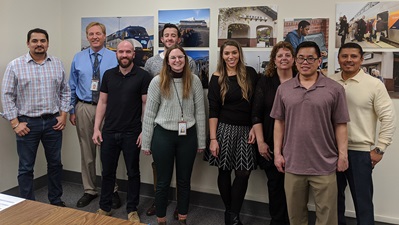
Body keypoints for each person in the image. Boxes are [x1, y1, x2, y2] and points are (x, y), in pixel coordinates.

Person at [271, 41, 350, 225]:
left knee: (327, 217)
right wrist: (277, 154)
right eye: (301, 58)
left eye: (310, 58)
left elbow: (341, 124)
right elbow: (279, 123)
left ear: (319, 61)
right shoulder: (284, 89)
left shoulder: (335, 89)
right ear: (295, 61)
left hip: (325, 163)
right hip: (293, 163)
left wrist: (343, 155)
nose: (305, 62)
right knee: (296, 216)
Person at [1, 28, 71, 207]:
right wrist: (15, 123)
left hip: (53, 123)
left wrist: (63, 115)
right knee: (26, 168)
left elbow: (65, 90)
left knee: (55, 164)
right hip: (27, 123)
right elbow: (7, 95)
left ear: (48, 43)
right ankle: (27, 205)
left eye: (43, 40)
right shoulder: (15, 65)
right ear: (28, 43)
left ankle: (55, 200)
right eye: (35, 41)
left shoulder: (56, 63)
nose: (39, 44)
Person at [330, 42, 396, 225]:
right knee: (333, 201)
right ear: (339, 59)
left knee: (363, 202)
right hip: (330, 150)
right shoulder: (329, 81)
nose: (348, 60)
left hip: (359, 152)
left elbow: (389, 118)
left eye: (353, 56)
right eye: (344, 56)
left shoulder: (374, 85)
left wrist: (380, 148)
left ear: (361, 59)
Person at [141, 44, 206, 225]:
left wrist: (201, 141)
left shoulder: (194, 80)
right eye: (173, 58)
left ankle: (183, 218)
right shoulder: (157, 81)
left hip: (188, 137)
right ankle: (161, 220)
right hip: (163, 137)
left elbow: (200, 112)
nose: (177, 61)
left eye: (181, 57)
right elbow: (150, 114)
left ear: (185, 60)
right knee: (162, 182)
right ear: (167, 62)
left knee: (184, 181)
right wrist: (146, 143)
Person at [92, 40, 152, 223]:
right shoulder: (108, 75)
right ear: (116, 53)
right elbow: (102, 102)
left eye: (128, 52)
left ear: (134, 54)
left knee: (133, 172)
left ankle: (132, 210)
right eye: (121, 52)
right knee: (107, 172)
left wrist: (145, 131)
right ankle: (105, 207)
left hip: (132, 132)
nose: (124, 55)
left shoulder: (143, 76)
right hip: (109, 132)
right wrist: (96, 128)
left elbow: (146, 105)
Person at [69, 22, 120, 208]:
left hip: (109, 109)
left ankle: (112, 189)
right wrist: (72, 110)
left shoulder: (114, 57)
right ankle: (89, 190)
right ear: (87, 36)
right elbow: (72, 86)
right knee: (87, 151)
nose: (95, 37)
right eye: (91, 34)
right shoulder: (79, 57)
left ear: (105, 35)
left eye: (98, 33)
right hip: (84, 107)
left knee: (108, 152)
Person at [207, 39, 259, 225]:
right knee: (224, 171)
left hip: (247, 129)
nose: (231, 57)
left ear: (239, 53)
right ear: (222, 55)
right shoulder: (216, 77)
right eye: (227, 53)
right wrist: (213, 138)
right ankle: (232, 215)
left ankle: (232, 212)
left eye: (234, 53)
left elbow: (257, 105)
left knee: (243, 172)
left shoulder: (250, 73)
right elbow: (213, 110)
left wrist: (255, 126)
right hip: (224, 130)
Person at [252, 41, 296, 225]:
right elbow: (256, 114)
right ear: (274, 60)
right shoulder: (265, 81)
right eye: (280, 56)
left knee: (296, 188)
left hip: (296, 143)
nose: (284, 58)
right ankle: (277, 222)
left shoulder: (302, 80)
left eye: (287, 55)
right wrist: (261, 142)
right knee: (276, 186)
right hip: (270, 141)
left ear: (294, 59)